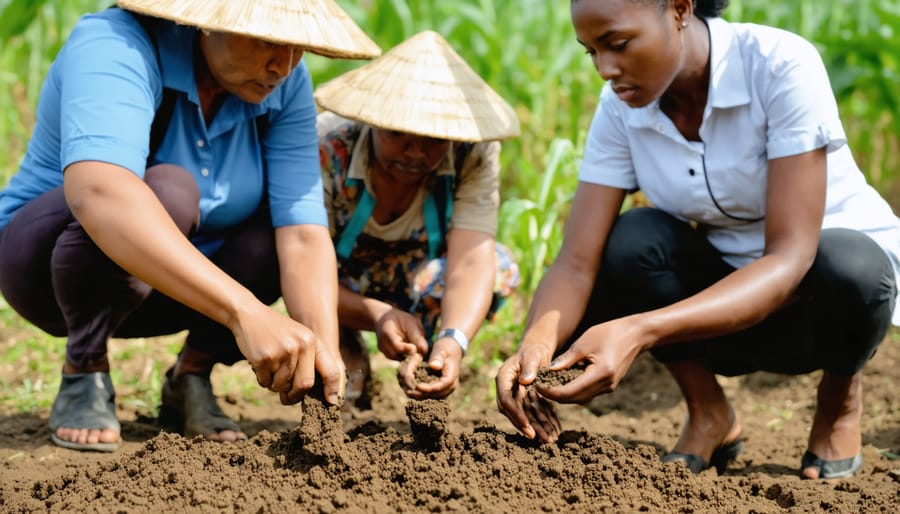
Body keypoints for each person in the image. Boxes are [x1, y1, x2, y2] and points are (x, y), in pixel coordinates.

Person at [496, 0, 900, 480]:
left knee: (852, 265)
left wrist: (640, 330)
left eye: (618, 44)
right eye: (590, 52)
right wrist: (533, 348)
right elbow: (577, 260)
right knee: (632, 239)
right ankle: (709, 412)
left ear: (681, 9)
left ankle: (839, 402)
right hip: (720, 308)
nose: (605, 69)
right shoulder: (621, 111)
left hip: (819, 300)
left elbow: (791, 257)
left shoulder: (779, 65)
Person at [0, 0, 380, 452]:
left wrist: (324, 352)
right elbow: (100, 192)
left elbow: (301, 230)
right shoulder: (115, 43)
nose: (283, 65)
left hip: (178, 291)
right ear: (208, 24)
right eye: (267, 42)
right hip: (52, 272)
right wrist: (245, 311)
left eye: (298, 48)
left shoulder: (284, 83)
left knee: (275, 225)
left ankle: (191, 376)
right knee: (170, 191)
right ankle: (85, 367)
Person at [313, 31, 521, 403]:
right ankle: (340, 332)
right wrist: (378, 314)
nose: (414, 152)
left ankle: (424, 344)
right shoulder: (330, 146)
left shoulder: (470, 152)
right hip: (336, 275)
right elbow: (303, 263)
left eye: (432, 139)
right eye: (398, 134)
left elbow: (472, 260)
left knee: (499, 265)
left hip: (417, 274)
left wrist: (451, 341)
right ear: (372, 120)